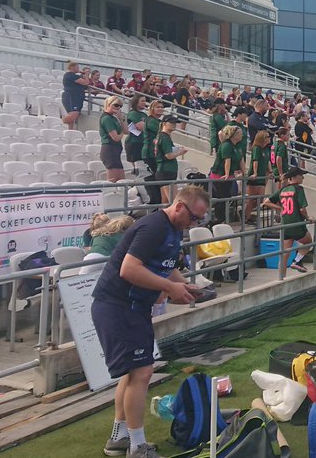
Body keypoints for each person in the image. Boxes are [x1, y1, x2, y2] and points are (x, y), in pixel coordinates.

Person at [92, 186, 209, 458]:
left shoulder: (172, 230)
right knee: (142, 373)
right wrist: (170, 288)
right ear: (179, 207)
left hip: (132, 307)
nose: (196, 224)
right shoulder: (154, 226)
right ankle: (137, 446)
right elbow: (129, 268)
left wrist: (186, 287)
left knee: (136, 372)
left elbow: (167, 265)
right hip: (118, 306)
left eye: (199, 221)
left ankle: (121, 438)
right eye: (195, 218)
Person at [262, 166, 313, 272]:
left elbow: (266, 202)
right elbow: (302, 209)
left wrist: (280, 208)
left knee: (284, 254)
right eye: (301, 175)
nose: (303, 178)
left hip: (286, 224)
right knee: (308, 242)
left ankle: (281, 278)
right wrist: (308, 218)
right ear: (295, 177)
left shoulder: (283, 189)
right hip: (296, 223)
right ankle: (297, 261)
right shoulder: (298, 189)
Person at [209, 125, 242, 224]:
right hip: (219, 175)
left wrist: (241, 171)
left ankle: (222, 219)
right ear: (235, 135)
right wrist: (227, 174)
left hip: (228, 175)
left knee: (226, 197)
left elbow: (239, 159)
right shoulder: (226, 145)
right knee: (222, 198)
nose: (242, 135)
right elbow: (227, 160)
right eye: (240, 134)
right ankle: (218, 220)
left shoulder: (235, 146)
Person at [154, 116, 187, 205]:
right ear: (164, 124)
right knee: (174, 202)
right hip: (166, 171)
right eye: (171, 123)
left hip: (164, 171)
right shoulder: (164, 137)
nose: (174, 125)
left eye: (175, 123)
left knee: (165, 203)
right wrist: (181, 152)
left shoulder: (162, 136)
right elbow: (168, 155)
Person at [245, 130, 272, 224]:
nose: (270, 138)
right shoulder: (257, 148)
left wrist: (270, 171)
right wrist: (255, 172)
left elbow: (268, 161)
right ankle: (247, 217)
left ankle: (246, 212)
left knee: (260, 199)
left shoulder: (266, 149)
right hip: (255, 176)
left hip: (262, 176)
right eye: (268, 137)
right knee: (251, 198)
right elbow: (255, 161)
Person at [99, 95, 127, 182]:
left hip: (116, 151)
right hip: (109, 150)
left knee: (121, 181)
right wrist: (121, 133)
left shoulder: (114, 118)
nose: (118, 107)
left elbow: (126, 131)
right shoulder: (106, 118)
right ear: (109, 104)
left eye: (120, 106)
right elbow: (116, 138)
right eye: (116, 105)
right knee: (113, 181)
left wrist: (121, 119)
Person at [61, 62, 90, 129]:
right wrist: (86, 76)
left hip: (76, 97)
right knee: (74, 114)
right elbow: (85, 82)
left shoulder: (73, 75)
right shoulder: (70, 75)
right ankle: (57, 121)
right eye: (77, 67)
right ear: (72, 67)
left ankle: (70, 132)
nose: (78, 69)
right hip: (72, 97)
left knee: (72, 118)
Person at [124, 96, 148, 175]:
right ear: (136, 102)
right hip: (134, 142)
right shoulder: (133, 113)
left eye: (145, 101)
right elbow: (141, 126)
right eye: (142, 101)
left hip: (143, 141)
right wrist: (149, 125)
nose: (144, 103)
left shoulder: (144, 114)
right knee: (136, 165)